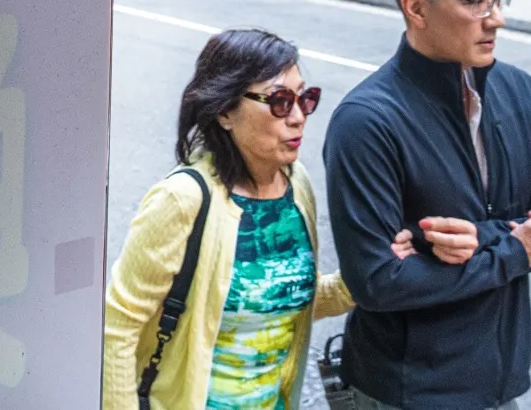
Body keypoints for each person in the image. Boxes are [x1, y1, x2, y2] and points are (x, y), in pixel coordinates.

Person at [323, 0, 531, 410]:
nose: (496, 19)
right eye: (475, 3)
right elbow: (375, 282)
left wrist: (479, 240)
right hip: (402, 392)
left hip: (499, 386)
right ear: (416, 7)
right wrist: (514, 251)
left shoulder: (520, 92)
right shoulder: (366, 121)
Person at [103, 29, 361, 410]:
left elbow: (283, 299)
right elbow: (118, 329)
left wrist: (371, 271)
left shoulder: (296, 185)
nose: (298, 117)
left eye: (305, 99)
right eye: (279, 101)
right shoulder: (183, 199)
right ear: (225, 111)